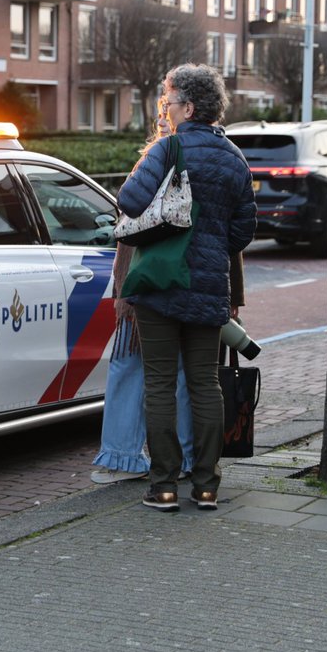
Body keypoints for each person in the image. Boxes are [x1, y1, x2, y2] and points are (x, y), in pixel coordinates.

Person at [116, 63, 256, 512]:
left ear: (189, 107)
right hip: (209, 286)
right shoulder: (234, 157)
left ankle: (163, 486)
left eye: (168, 101)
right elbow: (243, 232)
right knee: (205, 383)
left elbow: (129, 201)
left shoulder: (167, 148)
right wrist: (208, 246)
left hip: (160, 282)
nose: (166, 109)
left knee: (159, 383)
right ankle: (207, 485)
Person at [92, 108, 195, 484]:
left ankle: (123, 457)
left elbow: (127, 232)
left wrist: (123, 290)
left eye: (168, 114)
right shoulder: (207, 158)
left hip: (147, 282)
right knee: (180, 372)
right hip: (187, 282)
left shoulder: (151, 164)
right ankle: (183, 458)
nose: (164, 122)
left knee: (130, 365)